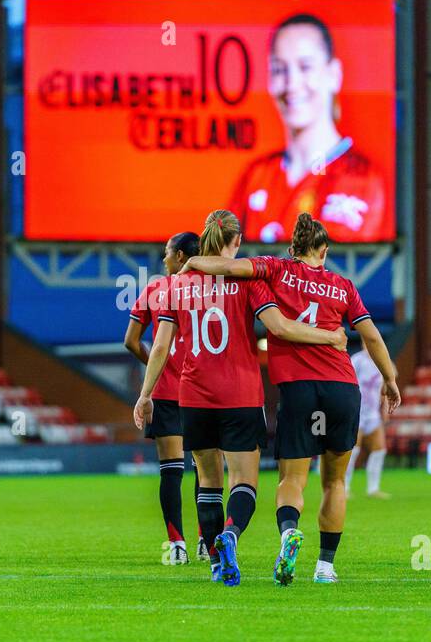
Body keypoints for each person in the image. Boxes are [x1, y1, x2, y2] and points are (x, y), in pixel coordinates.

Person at [180, 212, 401, 585]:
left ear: (293, 248)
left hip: (298, 390)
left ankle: (288, 535)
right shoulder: (343, 286)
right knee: (334, 482)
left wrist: (191, 261)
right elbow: (373, 336)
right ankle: (326, 566)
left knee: (292, 479)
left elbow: (229, 269)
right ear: (324, 250)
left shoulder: (275, 270)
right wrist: (390, 378)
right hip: (341, 388)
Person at [134, 209, 347, 587]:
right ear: (236, 243)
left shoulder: (175, 287)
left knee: (208, 482)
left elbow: (160, 345)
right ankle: (229, 535)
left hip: (193, 395)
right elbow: (279, 326)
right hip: (241, 394)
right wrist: (330, 336)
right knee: (244, 483)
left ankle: (218, 565)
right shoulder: (250, 283)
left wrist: (145, 394)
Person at [229, 14, 389, 244]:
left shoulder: (362, 178)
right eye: (279, 69)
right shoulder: (256, 176)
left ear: (333, 75)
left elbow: (327, 271)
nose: (292, 84)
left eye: (305, 67)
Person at [124, 231, 206, 565]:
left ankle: (177, 546)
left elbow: (131, 340)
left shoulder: (157, 289)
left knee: (171, 471)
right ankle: (208, 543)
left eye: (167, 253)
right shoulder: (213, 290)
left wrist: (157, 367)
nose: (163, 259)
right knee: (207, 471)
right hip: (203, 390)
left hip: (166, 392)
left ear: (182, 257)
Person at [346, 342, 389, 499]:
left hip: (373, 414)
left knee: (379, 449)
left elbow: (384, 386)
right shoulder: (357, 360)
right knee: (352, 450)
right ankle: (344, 487)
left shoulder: (382, 360)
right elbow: (347, 383)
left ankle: (373, 488)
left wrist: (384, 408)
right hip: (357, 413)